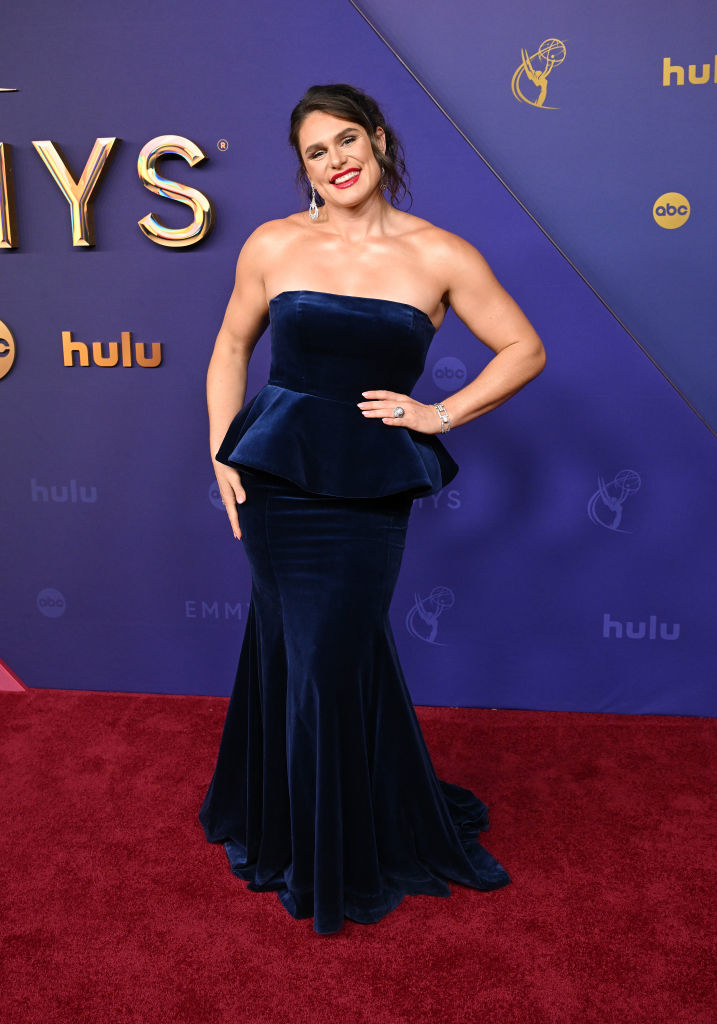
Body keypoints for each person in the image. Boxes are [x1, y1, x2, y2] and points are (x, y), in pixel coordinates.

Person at [198, 83, 545, 935]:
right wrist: (219, 452)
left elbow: (524, 348)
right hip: (276, 479)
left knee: (330, 657)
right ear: (305, 167)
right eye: (316, 151)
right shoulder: (274, 242)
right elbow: (230, 349)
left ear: (380, 141)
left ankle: (335, 835)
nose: (336, 160)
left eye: (347, 140)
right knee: (298, 648)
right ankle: (303, 825)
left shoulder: (439, 254)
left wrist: (438, 413)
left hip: (367, 491)